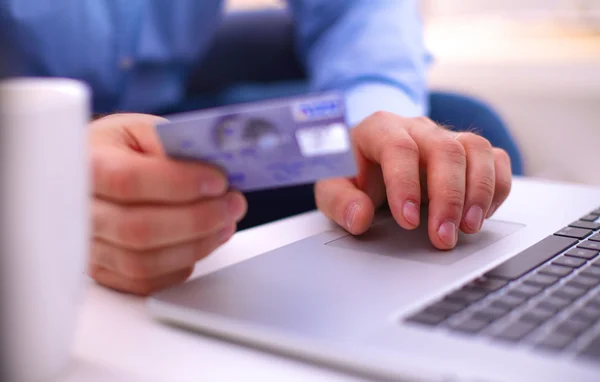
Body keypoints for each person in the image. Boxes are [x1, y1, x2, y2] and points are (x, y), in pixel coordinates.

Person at [1, 1, 516, 296]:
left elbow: (354, 10)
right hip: (21, 114)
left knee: (467, 129)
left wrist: (373, 128)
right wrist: (41, 155)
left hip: (159, 95)